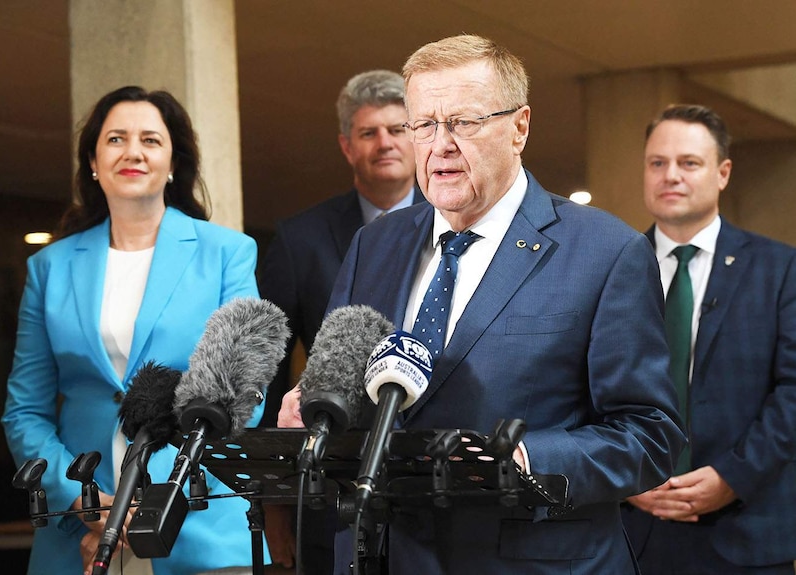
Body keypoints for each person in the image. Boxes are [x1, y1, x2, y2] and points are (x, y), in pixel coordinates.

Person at [278, 34, 684, 574]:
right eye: (422, 124)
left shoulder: (607, 251)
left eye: (463, 123)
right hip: (387, 555)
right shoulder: (373, 245)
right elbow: (351, 384)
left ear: (520, 127)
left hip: (530, 559)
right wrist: (315, 405)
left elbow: (649, 432)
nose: (439, 144)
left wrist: (525, 460)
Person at [1, 86, 267, 575]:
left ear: (172, 162)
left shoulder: (227, 254)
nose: (134, 152)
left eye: (151, 139)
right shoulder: (50, 268)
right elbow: (25, 411)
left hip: (199, 520)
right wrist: (86, 506)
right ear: (94, 162)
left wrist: (142, 510)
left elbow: (243, 393)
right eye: (116, 139)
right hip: (77, 527)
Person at [258, 69, 422, 573]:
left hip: (438, 476)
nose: (385, 143)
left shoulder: (461, 224)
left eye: (398, 129)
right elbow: (269, 379)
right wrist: (274, 501)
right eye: (368, 133)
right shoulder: (299, 240)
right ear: (347, 147)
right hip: (333, 480)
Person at [621, 104, 796, 574]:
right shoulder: (612, 269)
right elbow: (584, 387)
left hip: (745, 528)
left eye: (689, 163)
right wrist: (623, 478)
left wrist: (731, 478)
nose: (670, 175)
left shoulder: (780, 270)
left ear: (723, 173)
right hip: (631, 534)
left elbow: (793, 392)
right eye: (657, 163)